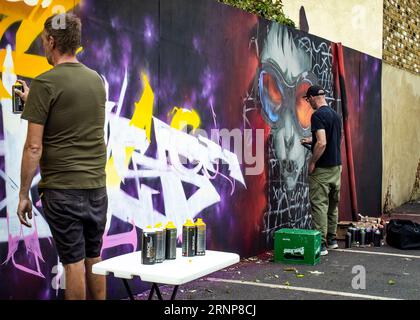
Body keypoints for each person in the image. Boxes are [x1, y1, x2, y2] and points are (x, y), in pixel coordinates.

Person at [15, 13, 107, 300]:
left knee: (73, 265)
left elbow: (33, 147)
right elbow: (70, 113)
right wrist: (36, 99)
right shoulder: (96, 81)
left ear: (52, 41)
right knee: (94, 258)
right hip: (96, 189)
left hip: (63, 191)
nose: (44, 46)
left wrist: (22, 194)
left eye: (44, 40)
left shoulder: (46, 83)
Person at [300, 85, 342, 256]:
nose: (308, 102)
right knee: (333, 206)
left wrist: (312, 162)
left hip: (322, 170)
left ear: (311, 97)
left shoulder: (317, 115)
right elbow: (330, 140)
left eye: (307, 99)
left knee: (319, 206)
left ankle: (321, 245)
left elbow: (323, 143)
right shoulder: (334, 115)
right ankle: (332, 240)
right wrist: (312, 141)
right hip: (336, 167)